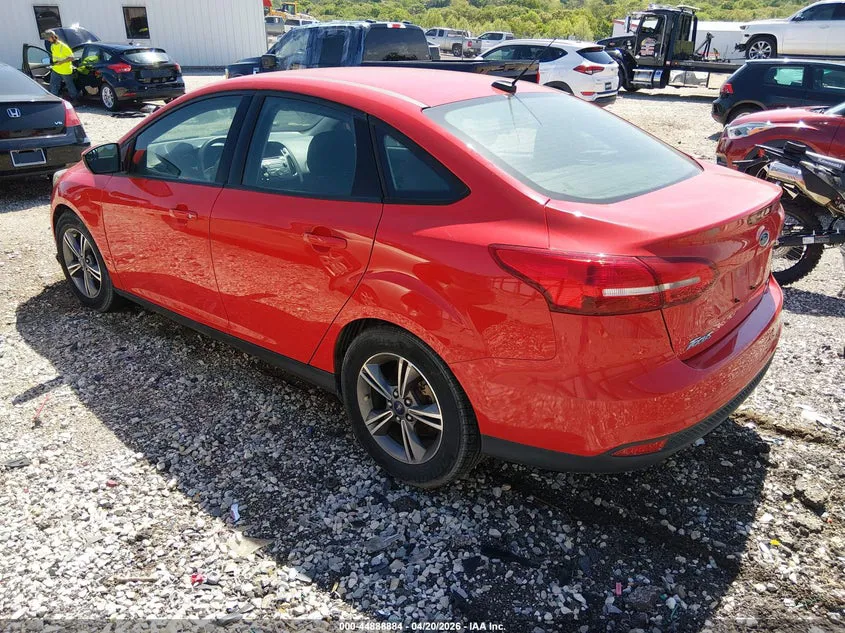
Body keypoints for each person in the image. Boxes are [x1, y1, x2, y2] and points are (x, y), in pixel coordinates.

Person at [45, 30, 79, 102]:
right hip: (56, 69)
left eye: (48, 38)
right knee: (53, 85)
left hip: (65, 70)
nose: (48, 40)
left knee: (70, 85)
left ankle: (75, 100)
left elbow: (72, 58)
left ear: (53, 37)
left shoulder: (63, 46)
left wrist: (61, 62)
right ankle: (54, 101)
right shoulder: (52, 46)